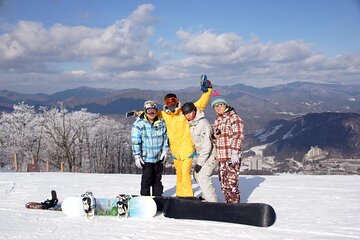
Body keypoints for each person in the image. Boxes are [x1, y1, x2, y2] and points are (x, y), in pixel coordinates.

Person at [157, 76, 213, 197]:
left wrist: (208, 89)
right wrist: (139, 114)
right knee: (179, 174)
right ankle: (180, 194)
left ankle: (188, 196)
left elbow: (201, 103)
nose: (172, 104)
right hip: (176, 151)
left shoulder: (184, 111)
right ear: (165, 104)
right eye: (168, 102)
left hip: (187, 149)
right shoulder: (165, 115)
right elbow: (152, 113)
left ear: (177, 101)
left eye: (173, 100)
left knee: (185, 173)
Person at [211, 91, 244, 203]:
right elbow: (218, 137)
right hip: (221, 157)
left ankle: (234, 206)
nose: (218, 107)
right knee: (224, 185)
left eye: (220, 104)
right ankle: (228, 204)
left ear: (225, 104)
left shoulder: (233, 117)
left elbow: (238, 135)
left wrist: (234, 152)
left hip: (231, 157)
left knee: (231, 184)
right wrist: (214, 136)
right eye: (215, 106)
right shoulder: (218, 120)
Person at [181, 102, 218, 202]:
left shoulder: (203, 123)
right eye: (186, 114)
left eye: (190, 112)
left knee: (203, 177)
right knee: (197, 175)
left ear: (194, 111)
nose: (188, 115)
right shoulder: (193, 123)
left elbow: (207, 146)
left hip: (211, 154)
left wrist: (200, 163)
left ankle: (213, 204)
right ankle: (206, 196)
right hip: (203, 154)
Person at [131, 100, 169, 196]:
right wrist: (137, 156)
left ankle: (157, 199)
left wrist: (165, 150)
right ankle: (145, 199)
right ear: (145, 111)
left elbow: (165, 137)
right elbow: (136, 141)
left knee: (157, 180)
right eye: (149, 111)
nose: (151, 113)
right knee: (147, 180)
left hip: (158, 157)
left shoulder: (161, 123)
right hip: (146, 158)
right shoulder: (139, 124)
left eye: (153, 111)